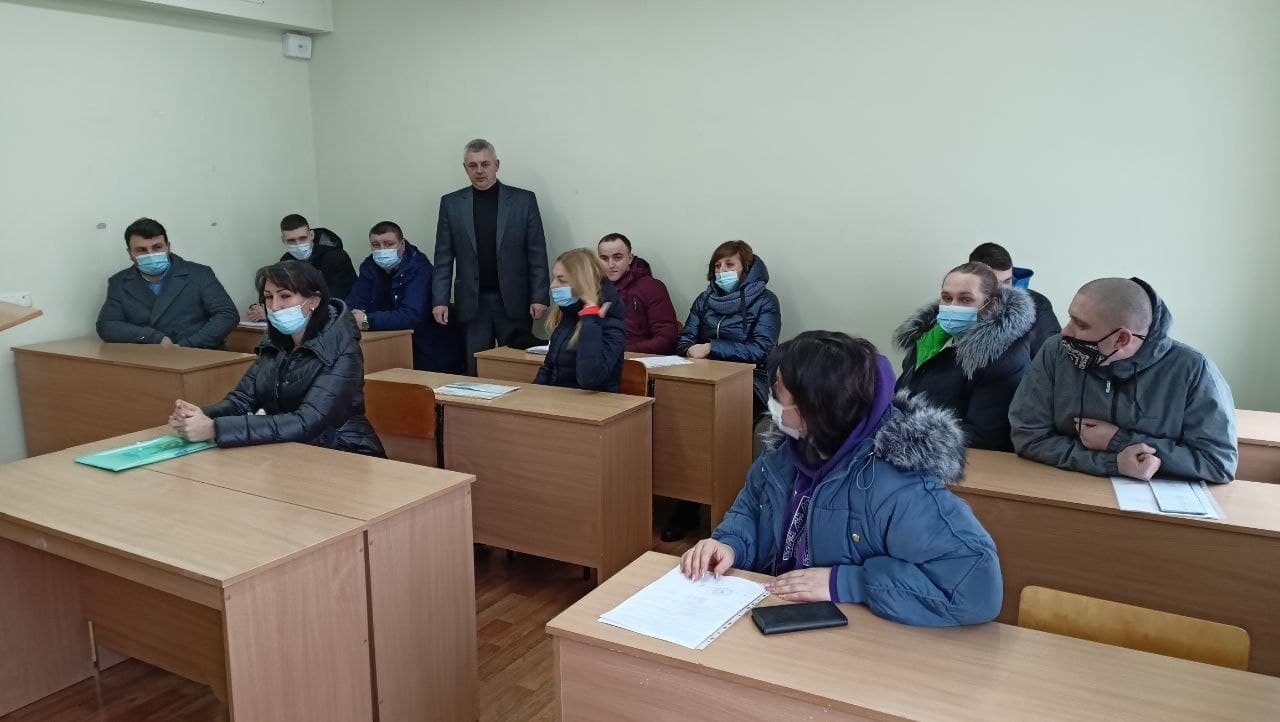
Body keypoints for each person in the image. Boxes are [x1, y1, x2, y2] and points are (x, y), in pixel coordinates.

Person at [680, 331, 1003, 627]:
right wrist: (730, 543)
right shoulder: (784, 452)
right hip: (775, 606)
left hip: (850, 630)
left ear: (816, 406)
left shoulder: (899, 484)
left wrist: (848, 582)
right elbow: (751, 508)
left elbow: (976, 588)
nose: (771, 400)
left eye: (778, 391)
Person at [1009, 277, 1237, 482]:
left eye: (1081, 325)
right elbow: (1028, 436)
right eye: (1070, 318)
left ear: (1121, 339)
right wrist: (1112, 463)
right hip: (1068, 488)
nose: (1066, 332)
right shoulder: (1056, 352)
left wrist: (1118, 441)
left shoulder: (1193, 370)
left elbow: (1217, 463)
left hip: (1151, 503)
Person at [169, 261, 384, 456]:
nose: (274, 306)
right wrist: (199, 415)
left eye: (285, 296)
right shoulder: (274, 343)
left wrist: (215, 429)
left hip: (342, 450)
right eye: (268, 297)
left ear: (313, 300)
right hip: (290, 447)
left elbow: (307, 421)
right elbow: (242, 400)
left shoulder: (342, 348)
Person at [668, 240, 781, 541]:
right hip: (702, 379)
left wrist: (712, 347)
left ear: (746, 268)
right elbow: (684, 340)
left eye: (729, 265)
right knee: (680, 422)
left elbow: (762, 349)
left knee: (718, 427)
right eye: (717, 266)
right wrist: (691, 349)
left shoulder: (766, 301)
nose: (722, 271)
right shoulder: (704, 299)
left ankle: (730, 510)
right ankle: (686, 504)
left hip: (750, 382)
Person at [432, 138, 549, 374]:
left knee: (516, 367)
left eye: (485, 164)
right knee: (476, 369)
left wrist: (540, 296)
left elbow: (536, 252)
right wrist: (440, 300)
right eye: (473, 165)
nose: (479, 170)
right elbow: (443, 257)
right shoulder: (451, 204)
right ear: (465, 168)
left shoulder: (523, 201)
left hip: (514, 300)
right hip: (473, 302)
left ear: (497, 165)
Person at [893, 262, 1035, 451]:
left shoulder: (1003, 358)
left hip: (952, 457)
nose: (952, 307)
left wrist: (901, 435)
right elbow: (899, 394)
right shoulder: (928, 340)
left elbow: (983, 436)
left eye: (965, 299)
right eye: (946, 298)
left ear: (990, 305)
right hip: (904, 445)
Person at [96, 217, 238, 349]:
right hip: (149, 356)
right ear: (130, 254)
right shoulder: (119, 282)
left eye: (157, 247)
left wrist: (188, 345)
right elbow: (107, 325)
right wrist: (154, 338)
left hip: (199, 354)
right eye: (141, 250)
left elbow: (227, 314)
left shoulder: (199, 274)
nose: (151, 254)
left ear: (168, 247)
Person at [347, 220, 463, 373]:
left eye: (388, 244)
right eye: (376, 245)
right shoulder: (369, 266)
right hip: (386, 344)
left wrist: (367, 321)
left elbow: (412, 316)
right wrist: (354, 317)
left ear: (402, 244)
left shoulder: (420, 268)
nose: (382, 250)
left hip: (428, 350)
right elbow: (354, 305)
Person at [534, 248, 627, 392]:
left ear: (583, 283)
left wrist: (590, 319)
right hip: (559, 399)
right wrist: (532, 395)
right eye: (554, 278)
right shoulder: (568, 316)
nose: (552, 285)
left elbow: (589, 379)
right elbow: (548, 369)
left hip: (595, 403)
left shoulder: (611, 323)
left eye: (561, 280)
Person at [248, 214, 356, 320]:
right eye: (291, 240)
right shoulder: (286, 261)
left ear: (312, 235)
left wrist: (276, 314)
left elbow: (334, 299)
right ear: (283, 240)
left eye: (302, 238)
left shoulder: (336, 257)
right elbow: (277, 292)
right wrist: (262, 308)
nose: (298, 244)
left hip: (337, 316)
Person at [968, 242, 1061, 358]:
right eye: (993, 283)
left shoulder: (1038, 305)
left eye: (1007, 281)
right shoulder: (957, 301)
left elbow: (1052, 358)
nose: (1002, 291)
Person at [597, 233, 678, 354]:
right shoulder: (592, 288)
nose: (610, 265)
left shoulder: (651, 287)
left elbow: (666, 338)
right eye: (604, 259)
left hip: (638, 359)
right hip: (598, 358)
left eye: (617, 258)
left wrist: (623, 352)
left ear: (630, 258)